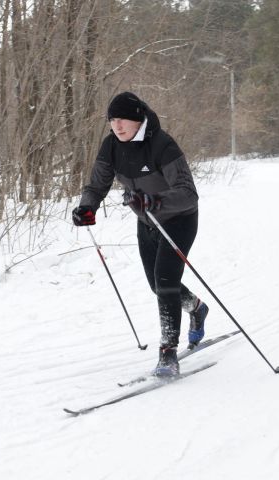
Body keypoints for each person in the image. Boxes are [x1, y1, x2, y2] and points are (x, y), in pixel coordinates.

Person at [71, 91, 209, 377]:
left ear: (138, 120)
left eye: (123, 120)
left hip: (178, 219)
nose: (117, 126)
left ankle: (168, 353)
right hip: (147, 222)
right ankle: (196, 309)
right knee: (156, 286)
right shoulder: (111, 146)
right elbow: (97, 185)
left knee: (166, 280)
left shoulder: (162, 145)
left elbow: (187, 194)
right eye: (112, 120)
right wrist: (87, 208)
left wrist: (157, 201)